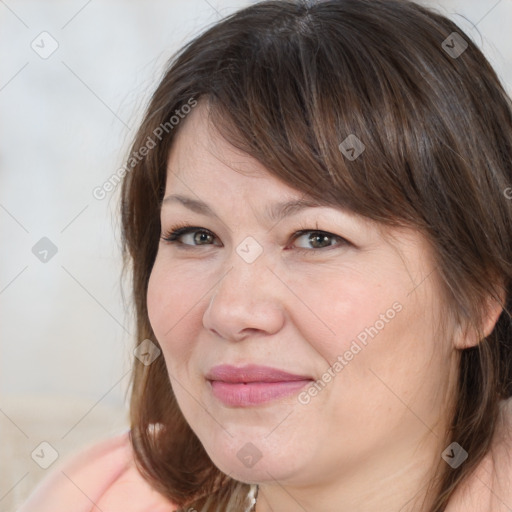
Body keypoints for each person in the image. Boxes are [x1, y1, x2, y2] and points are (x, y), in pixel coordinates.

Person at [19, 0, 512, 511]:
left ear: (476, 294)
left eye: (316, 238)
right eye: (196, 236)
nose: (231, 312)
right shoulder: (97, 496)